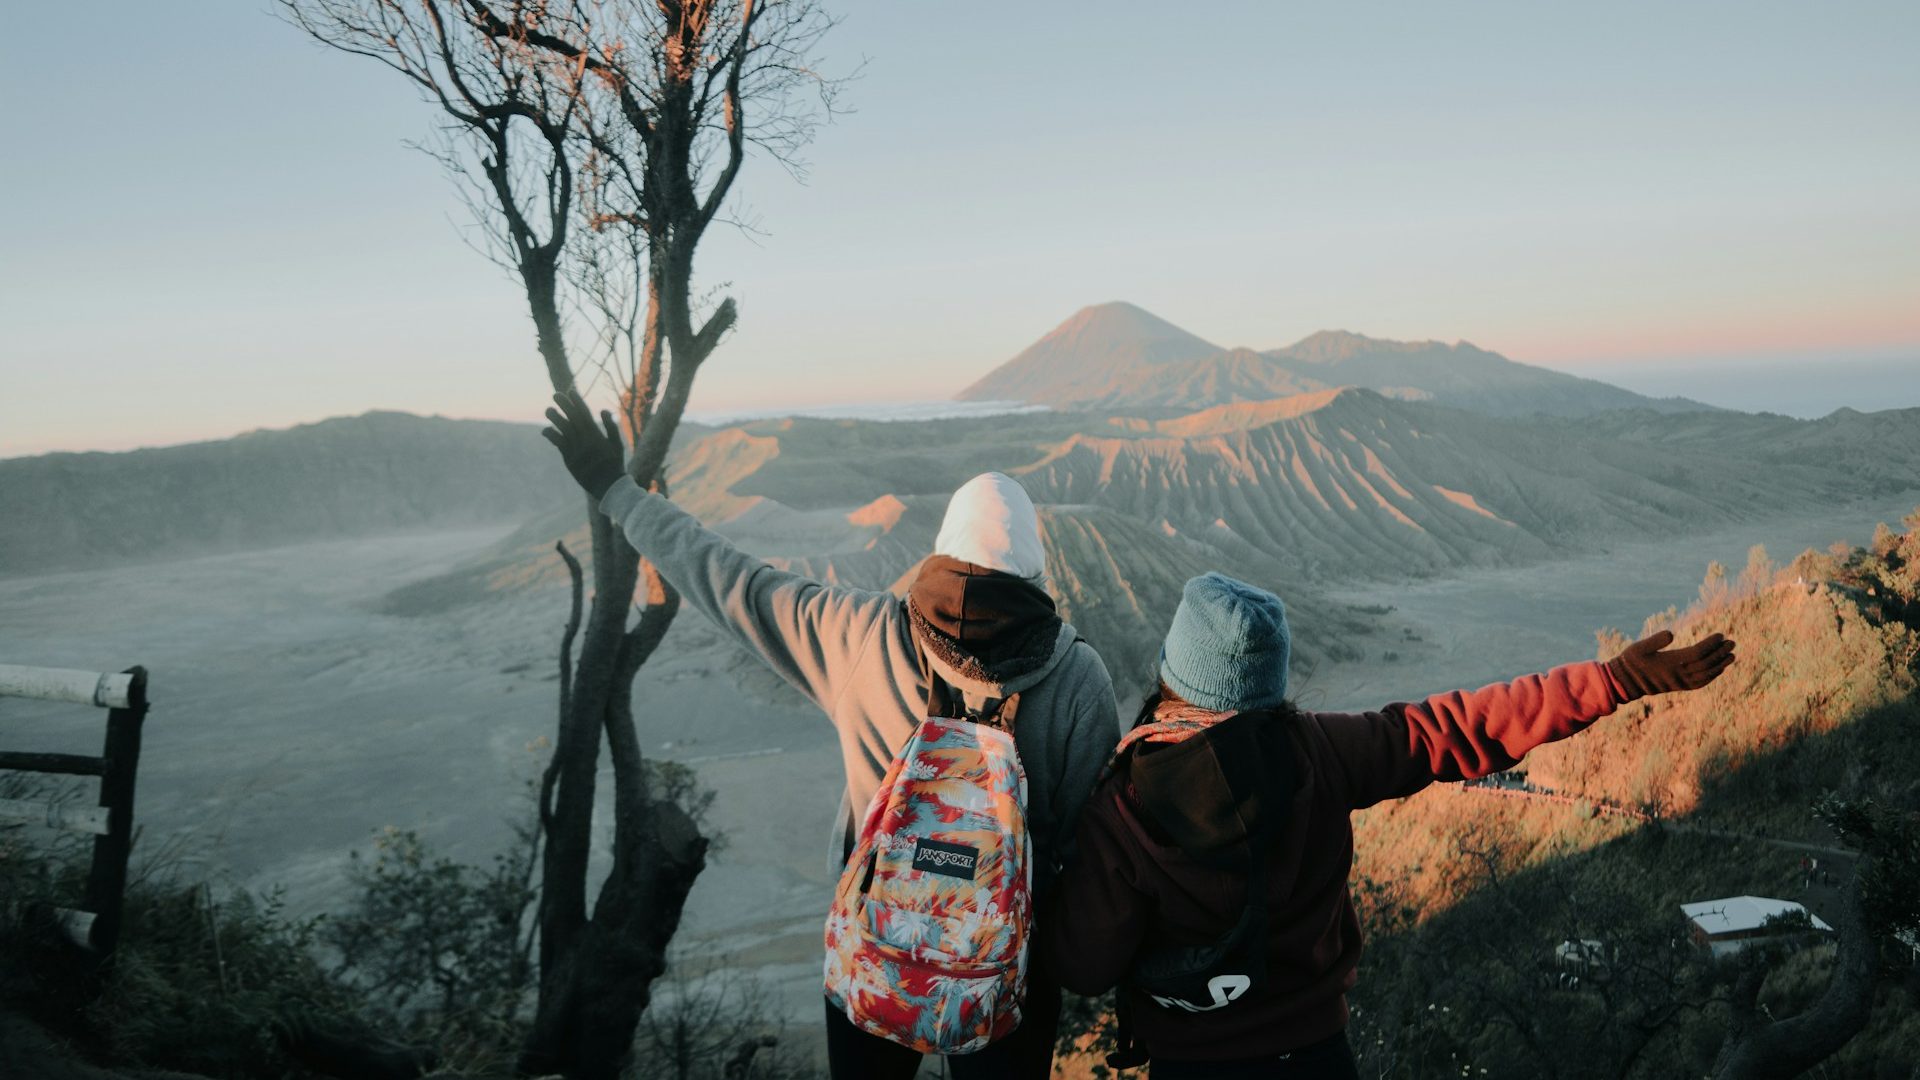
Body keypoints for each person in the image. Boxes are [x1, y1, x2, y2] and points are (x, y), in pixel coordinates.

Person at [541, 391, 1120, 1079]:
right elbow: (1090, 854)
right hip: (1009, 966)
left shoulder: (858, 635)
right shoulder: (1079, 678)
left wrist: (614, 488)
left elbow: (724, 576)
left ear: (940, 552)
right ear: (1036, 569)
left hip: (877, 946)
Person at [1048, 572, 1736, 1079]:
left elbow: (1085, 966)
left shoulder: (1122, 805)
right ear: (1270, 687)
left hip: (1191, 1062)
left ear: (1174, 675)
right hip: (1318, 1055)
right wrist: (1613, 680)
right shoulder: (1320, 751)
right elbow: (1462, 726)